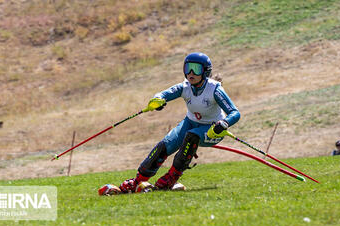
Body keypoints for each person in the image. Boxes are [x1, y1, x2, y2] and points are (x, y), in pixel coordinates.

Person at [99, 52, 240, 195]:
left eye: (196, 69)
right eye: (187, 68)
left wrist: (224, 123)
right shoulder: (185, 87)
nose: (191, 73)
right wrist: (157, 100)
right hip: (190, 123)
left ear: (205, 71)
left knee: (191, 136)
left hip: (211, 129)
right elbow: (164, 94)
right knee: (165, 145)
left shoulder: (215, 89)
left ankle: (171, 179)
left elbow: (235, 113)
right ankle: (138, 181)